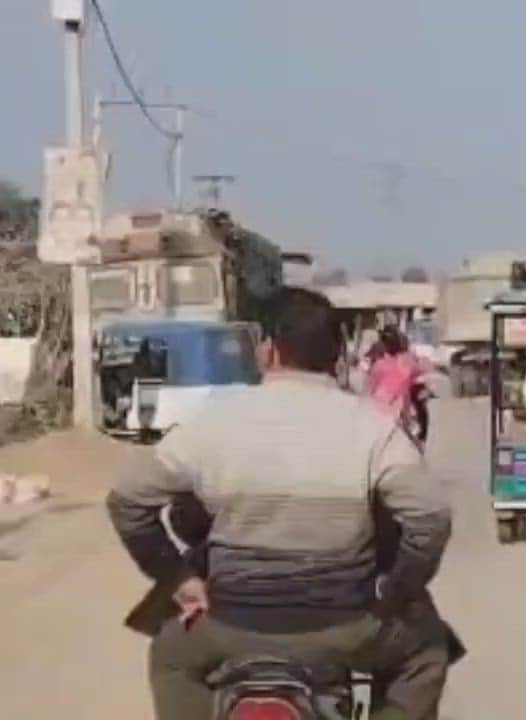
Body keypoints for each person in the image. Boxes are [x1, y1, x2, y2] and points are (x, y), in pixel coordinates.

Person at [107, 288, 455, 720]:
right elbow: (431, 518)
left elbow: (126, 502)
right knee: (423, 656)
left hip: (229, 624)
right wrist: (397, 589)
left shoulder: (210, 421)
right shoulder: (374, 427)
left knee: (172, 658)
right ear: (337, 355)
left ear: (267, 350)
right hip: (347, 628)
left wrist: (179, 579)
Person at [367, 324, 432, 444]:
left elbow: (369, 388)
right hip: (392, 413)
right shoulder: (403, 361)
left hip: (387, 413)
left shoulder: (381, 364)